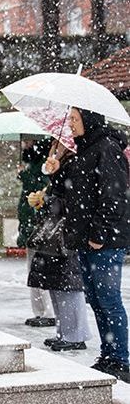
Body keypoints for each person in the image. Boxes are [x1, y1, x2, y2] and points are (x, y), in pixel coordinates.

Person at [57, 107, 130, 381]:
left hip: (104, 241)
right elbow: (71, 191)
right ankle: (108, 355)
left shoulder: (106, 148)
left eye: (76, 119)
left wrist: (99, 234)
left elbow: (114, 197)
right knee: (97, 300)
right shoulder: (83, 149)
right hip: (86, 239)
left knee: (109, 299)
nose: (72, 124)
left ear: (89, 120)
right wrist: (54, 171)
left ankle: (121, 358)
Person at [26, 141, 90, 351]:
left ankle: (75, 334)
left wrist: (47, 199)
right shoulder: (61, 164)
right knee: (56, 283)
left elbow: (72, 200)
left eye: (59, 144)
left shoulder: (75, 164)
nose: (55, 147)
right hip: (58, 231)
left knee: (68, 283)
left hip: (67, 233)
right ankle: (65, 332)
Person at [18, 139, 55, 327]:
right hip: (31, 227)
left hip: (39, 227)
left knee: (42, 269)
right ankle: (40, 311)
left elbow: (39, 193)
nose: (24, 143)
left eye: (28, 140)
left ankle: (48, 311)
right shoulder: (32, 164)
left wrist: (25, 176)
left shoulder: (42, 166)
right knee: (33, 270)